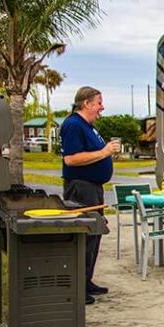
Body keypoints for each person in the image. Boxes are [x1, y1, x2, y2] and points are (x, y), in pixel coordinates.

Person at [60, 87, 120, 305]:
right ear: (86, 103)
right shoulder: (73, 125)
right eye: (99, 102)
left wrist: (105, 156)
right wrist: (104, 152)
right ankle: (77, 287)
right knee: (83, 235)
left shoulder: (88, 126)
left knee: (94, 234)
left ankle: (86, 280)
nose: (102, 107)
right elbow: (71, 159)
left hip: (94, 187)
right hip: (81, 188)